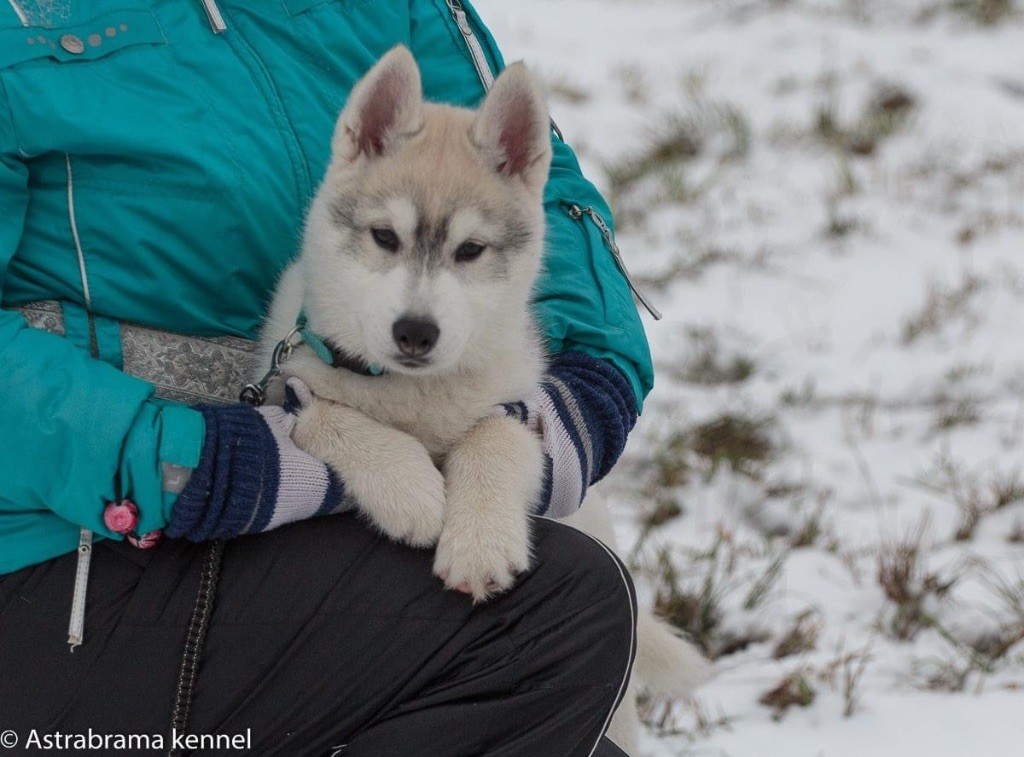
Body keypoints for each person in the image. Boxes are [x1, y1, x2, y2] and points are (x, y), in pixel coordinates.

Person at [0, 2, 655, 755]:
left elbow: (535, 185)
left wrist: (591, 375)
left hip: (273, 535)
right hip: (64, 559)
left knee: (568, 716)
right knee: (557, 617)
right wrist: (188, 463)